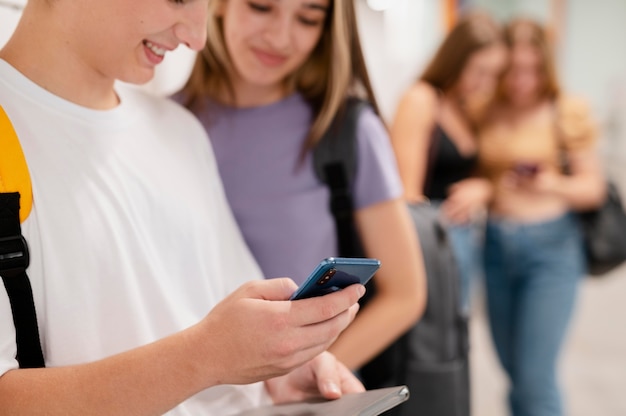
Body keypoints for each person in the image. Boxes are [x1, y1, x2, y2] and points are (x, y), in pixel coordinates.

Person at [0, 0, 368, 414]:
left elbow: (222, 319)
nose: (198, 38)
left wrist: (275, 373)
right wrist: (204, 359)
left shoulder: (180, 131)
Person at [176, 0, 427, 372]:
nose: (280, 38)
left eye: (308, 19)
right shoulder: (161, 126)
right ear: (220, 5)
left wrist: (303, 374)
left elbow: (405, 294)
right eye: (261, 7)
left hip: (301, 399)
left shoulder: (347, 131)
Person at [477, 18, 606, 416]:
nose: (522, 81)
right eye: (513, 70)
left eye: (532, 70)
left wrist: (551, 185)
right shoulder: (486, 109)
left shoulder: (566, 110)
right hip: (496, 246)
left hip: (550, 249)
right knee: (514, 372)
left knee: (536, 380)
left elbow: (593, 190)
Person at [390, 13, 506, 313]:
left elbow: (481, 173)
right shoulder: (422, 99)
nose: (486, 84)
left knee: (457, 330)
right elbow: (407, 197)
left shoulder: (466, 108)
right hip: (430, 239)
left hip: (463, 237)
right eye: (479, 71)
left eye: (494, 75)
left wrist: (484, 188)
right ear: (456, 59)